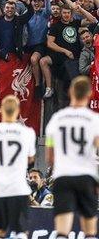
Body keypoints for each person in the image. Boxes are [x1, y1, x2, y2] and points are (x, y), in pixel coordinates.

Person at [45, 76, 99, 239]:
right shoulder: (94, 120)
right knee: (90, 232)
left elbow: (50, 156)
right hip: (87, 177)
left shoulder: (56, 119)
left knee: (62, 231)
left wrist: (58, 168)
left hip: (63, 176)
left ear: (70, 92)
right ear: (89, 94)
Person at [0, 95, 36, 239]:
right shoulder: (27, 132)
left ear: (1, 110)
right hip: (18, 188)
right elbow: (31, 158)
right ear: (18, 110)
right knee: (21, 231)